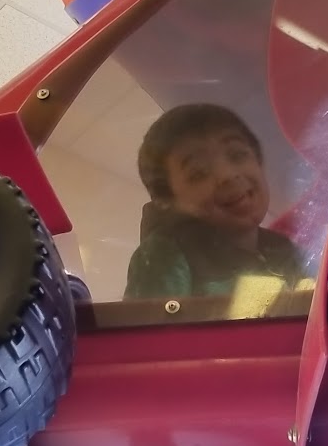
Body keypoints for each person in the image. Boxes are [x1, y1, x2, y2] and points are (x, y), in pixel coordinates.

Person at [124, 103, 306, 300]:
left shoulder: (284, 249)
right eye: (199, 172)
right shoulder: (166, 255)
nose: (227, 174)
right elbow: (153, 320)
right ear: (168, 201)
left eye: (237, 155)